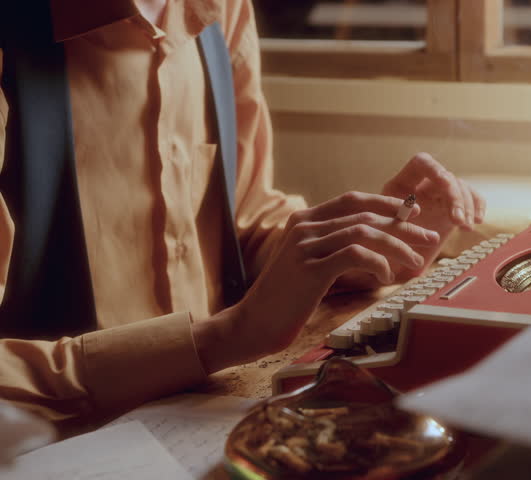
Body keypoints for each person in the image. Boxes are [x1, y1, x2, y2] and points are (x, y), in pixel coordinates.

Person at [0, 0, 485, 422]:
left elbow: (243, 224)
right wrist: (221, 338)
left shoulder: (220, 10)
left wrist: (365, 246)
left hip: (213, 402)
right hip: (64, 440)